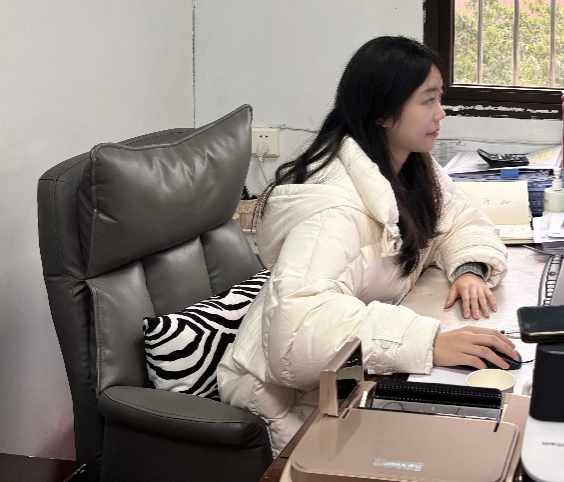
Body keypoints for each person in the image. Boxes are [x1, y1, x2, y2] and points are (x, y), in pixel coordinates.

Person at [217, 36, 515, 453]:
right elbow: (297, 331)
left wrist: (469, 268)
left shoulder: (410, 166)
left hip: (346, 378)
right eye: (428, 100)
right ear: (383, 114)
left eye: (439, 98)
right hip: (283, 401)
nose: (441, 113)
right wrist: (428, 343)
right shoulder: (333, 210)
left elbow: (459, 221)